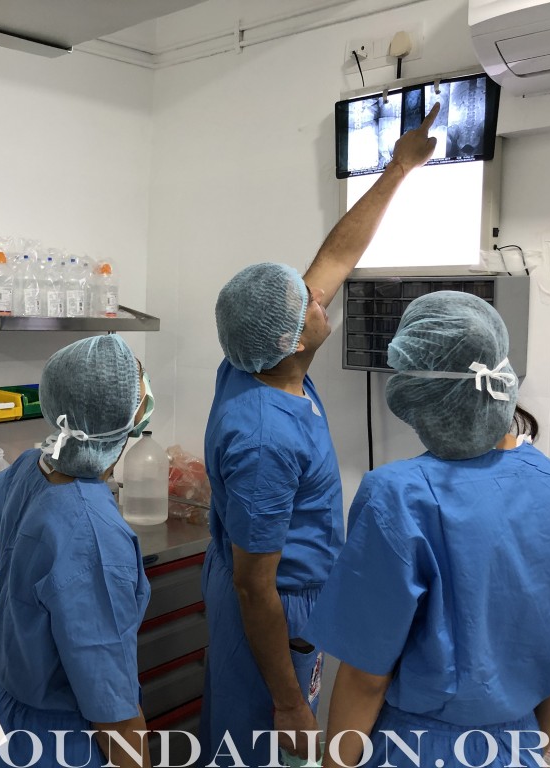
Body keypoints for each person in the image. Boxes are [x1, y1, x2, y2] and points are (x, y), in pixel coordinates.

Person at [199, 105, 441, 767]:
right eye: (307, 302)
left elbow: (337, 255)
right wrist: (288, 699)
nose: (320, 296)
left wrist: (399, 168)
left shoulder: (253, 362)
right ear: (295, 337)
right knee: (263, 745)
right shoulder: (264, 438)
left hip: (274, 586)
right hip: (274, 606)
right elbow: (256, 587)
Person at [304, 291, 550, 768]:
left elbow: (366, 677)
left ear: (418, 397)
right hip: (518, 747)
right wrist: (533, 746)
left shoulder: (400, 496)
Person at [0, 334, 153, 768]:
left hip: (4, 721)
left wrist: (18, 587)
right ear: (130, 414)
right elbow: (114, 715)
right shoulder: (95, 538)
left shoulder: (32, 467)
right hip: (62, 744)